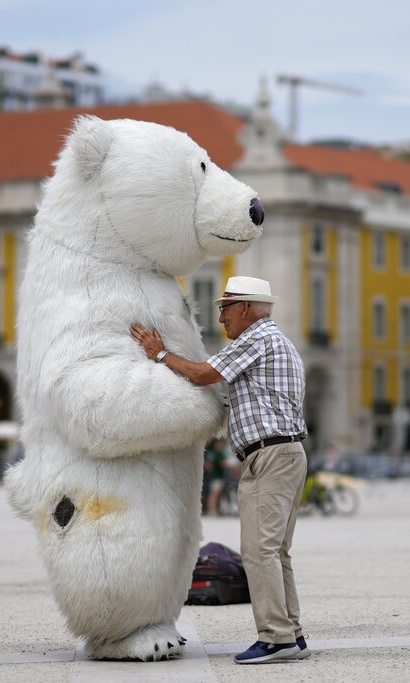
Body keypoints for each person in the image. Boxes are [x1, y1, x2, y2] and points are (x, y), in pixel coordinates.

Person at [131, 275, 309, 664]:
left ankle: (276, 637)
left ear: (245, 307)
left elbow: (201, 374)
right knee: (277, 552)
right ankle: (291, 633)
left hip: (271, 455)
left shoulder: (257, 338)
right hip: (285, 453)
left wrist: (158, 353)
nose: (222, 318)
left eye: (225, 309)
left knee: (259, 552)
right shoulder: (274, 340)